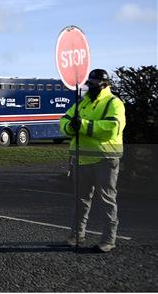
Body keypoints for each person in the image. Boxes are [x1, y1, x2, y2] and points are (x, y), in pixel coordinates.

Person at [60, 69, 126, 252]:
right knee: (80, 200)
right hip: (82, 159)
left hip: (105, 159)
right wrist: (70, 126)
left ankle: (108, 239)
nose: (90, 88)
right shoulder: (82, 102)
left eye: (94, 85)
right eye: (89, 84)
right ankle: (76, 236)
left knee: (106, 199)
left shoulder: (114, 103)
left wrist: (83, 125)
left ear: (105, 85)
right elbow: (63, 121)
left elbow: (112, 128)